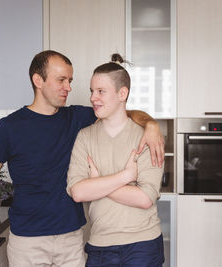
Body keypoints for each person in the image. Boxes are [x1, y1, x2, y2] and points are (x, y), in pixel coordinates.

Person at [0, 50, 164, 266]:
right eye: (61, 80)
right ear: (38, 80)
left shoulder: (77, 118)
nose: (69, 87)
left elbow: (121, 110)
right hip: (27, 242)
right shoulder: (8, 127)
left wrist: (151, 125)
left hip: (71, 239)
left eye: (70, 80)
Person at [67, 54, 165, 267]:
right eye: (92, 91)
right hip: (100, 246)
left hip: (143, 244)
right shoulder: (85, 136)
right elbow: (78, 192)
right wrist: (126, 176)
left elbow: (145, 198)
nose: (93, 97)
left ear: (122, 93)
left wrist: (99, 182)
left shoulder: (147, 137)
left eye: (101, 91)